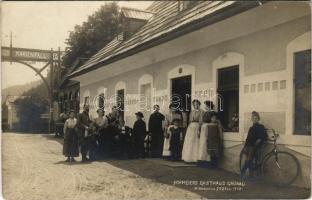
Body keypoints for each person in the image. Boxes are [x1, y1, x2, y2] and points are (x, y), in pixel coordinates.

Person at [241, 111, 268, 180]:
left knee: (251, 160)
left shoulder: (261, 127)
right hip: (250, 146)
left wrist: (259, 139)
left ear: (258, 119)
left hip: (256, 146)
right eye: (253, 118)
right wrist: (245, 146)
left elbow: (265, 136)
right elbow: (248, 138)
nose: (255, 119)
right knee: (249, 160)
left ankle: (248, 174)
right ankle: (246, 174)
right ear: (251, 119)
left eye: (256, 118)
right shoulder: (251, 128)